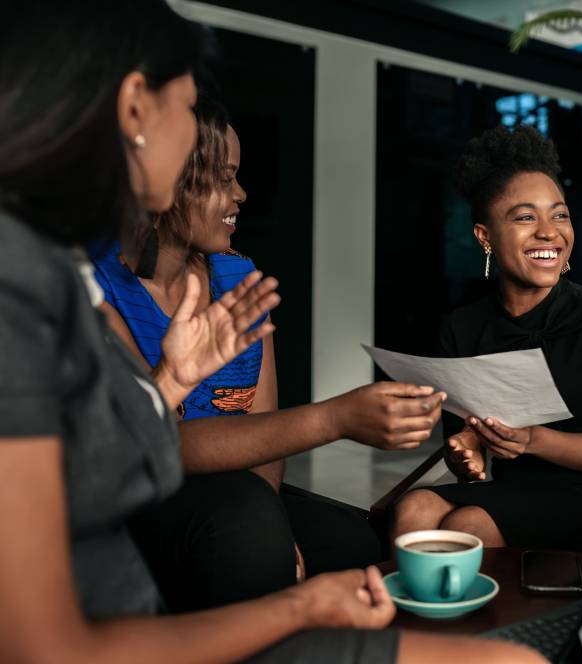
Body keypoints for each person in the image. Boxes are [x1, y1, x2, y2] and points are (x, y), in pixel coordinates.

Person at [0, 2, 545, 662]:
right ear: (138, 108)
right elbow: (50, 642)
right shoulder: (27, 282)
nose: (239, 194)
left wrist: (171, 378)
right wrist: (296, 603)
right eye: (188, 104)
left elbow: (104, 460)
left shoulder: (57, 268)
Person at [92, 96, 418, 610]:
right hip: (141, 495)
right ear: (167, 179)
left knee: (352, 543)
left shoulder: (239, 278)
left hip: (240, 494)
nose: (240, 194)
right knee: (243, 521)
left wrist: (275, 522)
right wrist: (335, 418)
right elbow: (159, 441)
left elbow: (264, 436)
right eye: (223, 179)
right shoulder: (98, 289)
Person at [393, 125, 582, 554]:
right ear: (484, 236)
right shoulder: (461, 328)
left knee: (467, 523)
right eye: (526, 217)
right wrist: (466, 456)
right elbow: (466, 448)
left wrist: (534, 439)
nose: (549, 232)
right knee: (414, 508)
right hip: (510, 493)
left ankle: (484, 623)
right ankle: (422, 621)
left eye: (560, 214)